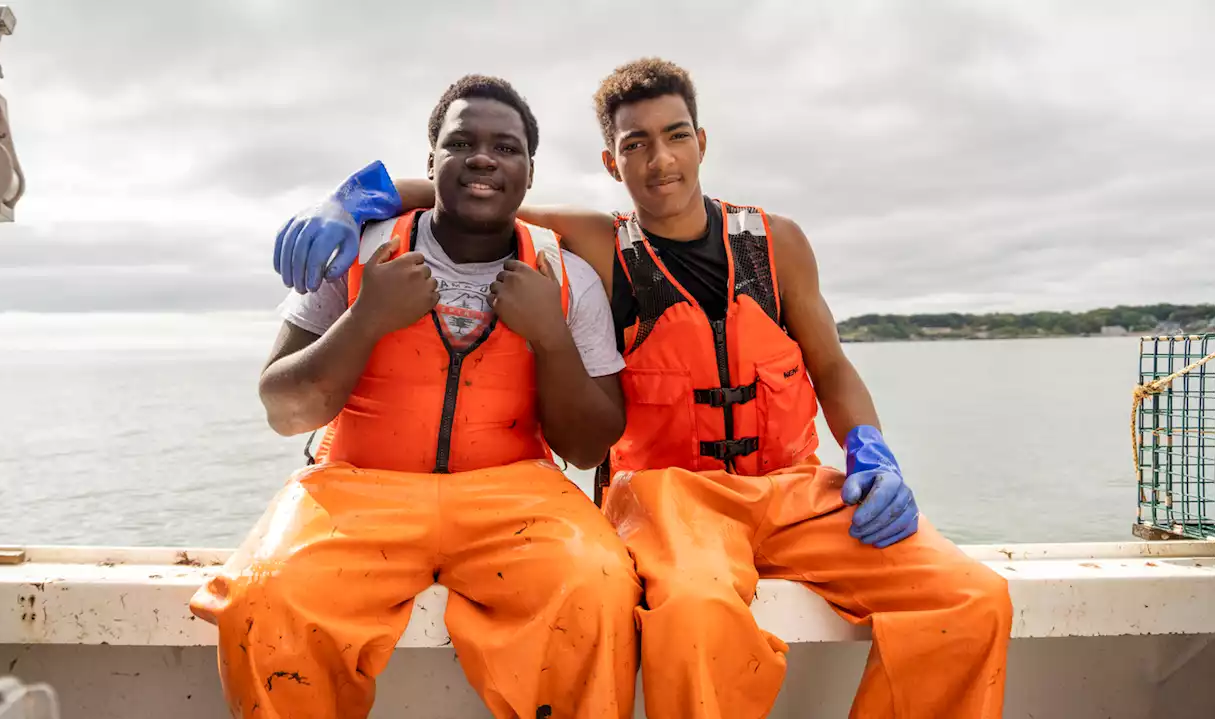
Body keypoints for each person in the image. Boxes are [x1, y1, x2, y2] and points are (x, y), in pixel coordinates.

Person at [275, 58, 1013, 719]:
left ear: (701, 140)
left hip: (793, 488)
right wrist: (351, 199)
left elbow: (833, 367)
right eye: (635, 144)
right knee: (693, 615)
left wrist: (871, 450)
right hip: (670, 496)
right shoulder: (600, 243)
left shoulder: (775, 241)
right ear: (610, 160)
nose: (660, 160)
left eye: (675, 135)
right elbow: (472, 189)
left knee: (971, 597)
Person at [193, 75, 642, 719]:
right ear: (431, 163)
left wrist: (550, 337)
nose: (484, 157)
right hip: (355, 489)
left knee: (597, 584)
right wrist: (366, 318)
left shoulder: (565, 275)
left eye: (507, 148)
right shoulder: (360, 251)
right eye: (461, 142)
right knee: (267, 597)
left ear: (529, 173)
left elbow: (588, 445)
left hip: (514, 495)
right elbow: (285, 410)